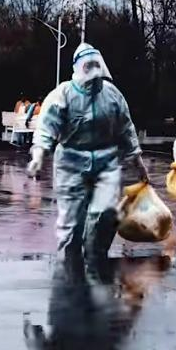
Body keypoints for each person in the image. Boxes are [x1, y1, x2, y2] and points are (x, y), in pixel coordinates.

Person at [26, 43, 150, 262]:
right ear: (78, 67)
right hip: (71, 164)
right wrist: (39, 154)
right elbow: (47, 126)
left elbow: (126, 128)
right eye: (88, 65)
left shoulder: (111, 94)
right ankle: (71, 262)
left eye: (96, 64)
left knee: (106, 215)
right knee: (74, 220)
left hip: (105, 163)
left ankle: (97, 258)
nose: (93, 70)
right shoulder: (64, 94)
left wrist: (137, 162)